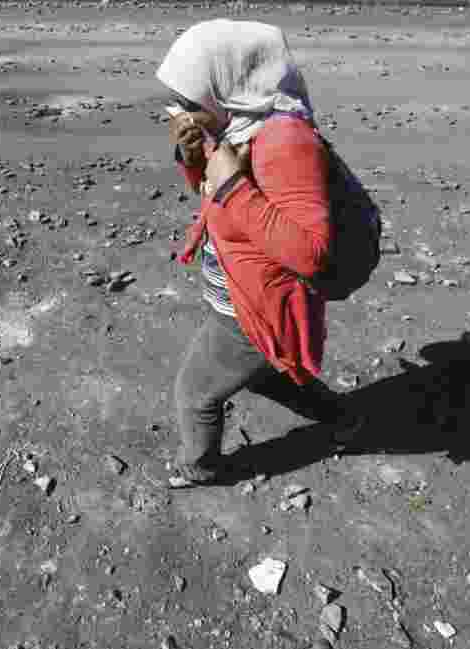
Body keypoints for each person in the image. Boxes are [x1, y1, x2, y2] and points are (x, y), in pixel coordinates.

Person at [156, 19, 365, 488]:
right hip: (243, 295)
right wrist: (195, 160)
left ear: (225, 86)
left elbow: (311, 253)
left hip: (254, 310)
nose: (177, 112)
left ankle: (200, 468)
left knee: (195, 395)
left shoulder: (286, 143)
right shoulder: (237, 127)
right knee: (265, 374)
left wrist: (230, 181)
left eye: (188, 102)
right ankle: (344, 418)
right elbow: (218, 201)